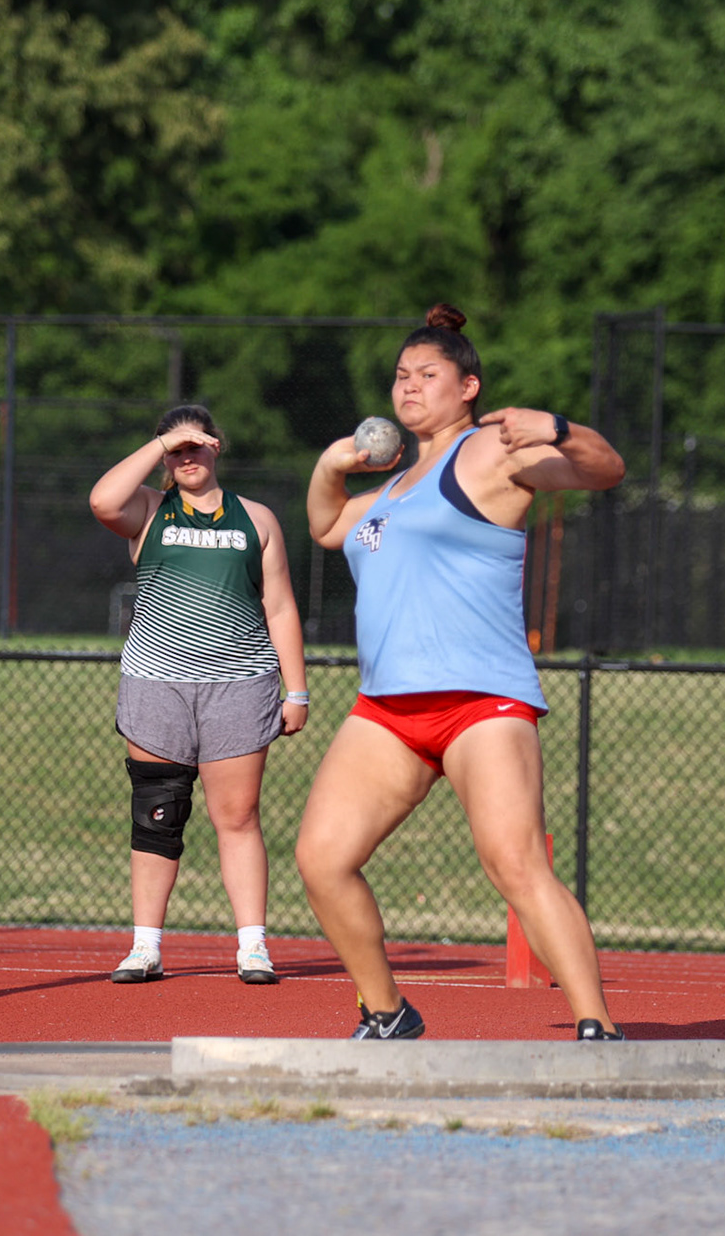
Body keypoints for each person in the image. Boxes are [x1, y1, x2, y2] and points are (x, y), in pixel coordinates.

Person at [296, 303, 627, 1041]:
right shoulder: (389, 490)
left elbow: (606, 471)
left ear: (468, 385)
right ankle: (387, 1012)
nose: (409, 387)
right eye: (401, 376)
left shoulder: (489, 454)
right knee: (322, 859)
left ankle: (597, 1027)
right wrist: (329, 464)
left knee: (515, 864)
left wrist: (560, 429)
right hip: (388, 711)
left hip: (481, 701)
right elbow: (324, 527)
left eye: (428, 375)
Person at [89, 404, 309, 986]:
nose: (187, 457)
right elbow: (102, 501)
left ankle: (253, 945)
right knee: (157, 814)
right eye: (177, 450)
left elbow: (280, 605)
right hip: (156, 684)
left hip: (239, 683)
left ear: (217, 447)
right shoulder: (148, 509)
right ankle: (145, 947)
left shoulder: (255, 519)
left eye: (196, 445)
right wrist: (160, 442)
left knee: (236, 817)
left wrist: (298, 691)